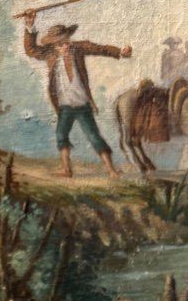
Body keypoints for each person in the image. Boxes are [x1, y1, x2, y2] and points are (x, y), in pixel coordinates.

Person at [24, 11, 132, 178]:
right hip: (64, 107)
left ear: (69, 39)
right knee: (61, 136)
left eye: (65, 42)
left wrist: (120, 52)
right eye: (59, 45)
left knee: (94, 136)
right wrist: (30, 25)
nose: (63, 47)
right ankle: (67, 170)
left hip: (82, 105)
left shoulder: (78, 48)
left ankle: (111, 170)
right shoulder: (50, 54)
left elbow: (100, 49)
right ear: (53, 46)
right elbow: (31, 50)